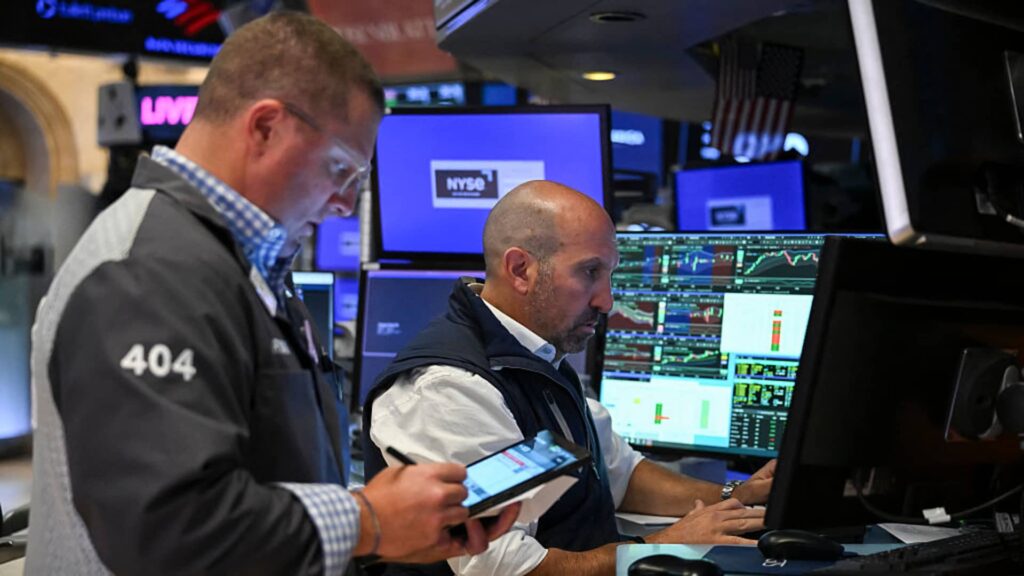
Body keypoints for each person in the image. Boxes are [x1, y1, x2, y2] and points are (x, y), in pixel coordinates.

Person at [26, 12, 516, 576]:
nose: (344, 204)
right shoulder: (148, 270)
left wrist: (388, 529)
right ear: (265, 127)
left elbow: (269, 473)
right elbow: (168, 529)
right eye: (341, 169)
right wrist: (368, 520)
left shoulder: (243, 261)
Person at [363, 180, 775, 576]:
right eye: (589, 272)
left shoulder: (535, 356)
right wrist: (663, 546)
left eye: (609, 274)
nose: (607, 301)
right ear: (521, 270)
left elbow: (616, 472)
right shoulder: (450, 388)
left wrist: (735, 496)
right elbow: (506, 568)